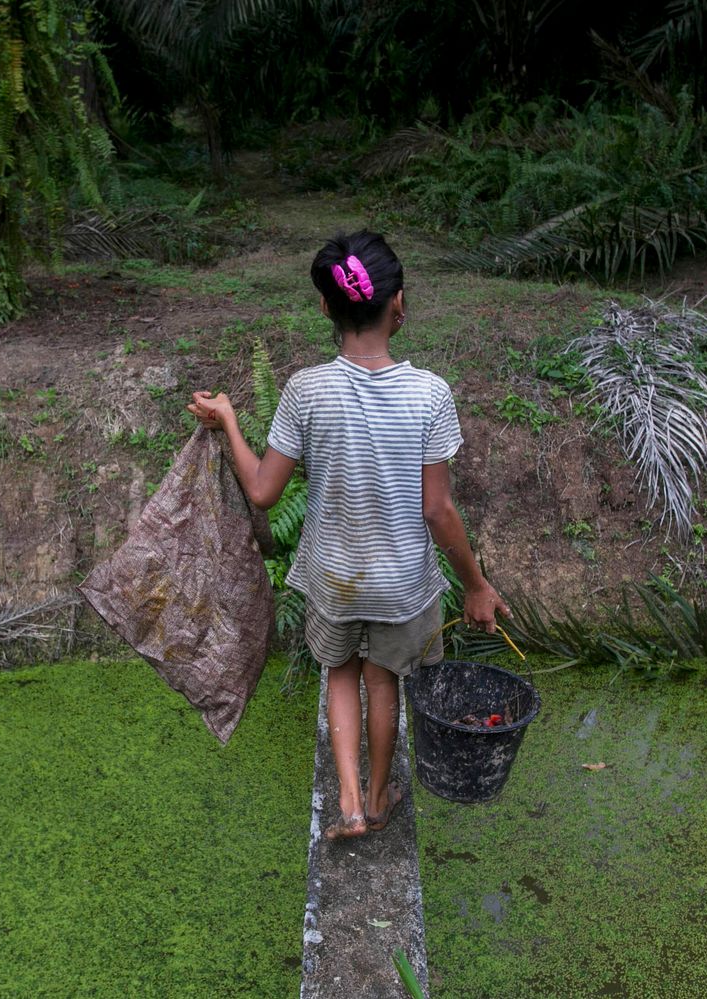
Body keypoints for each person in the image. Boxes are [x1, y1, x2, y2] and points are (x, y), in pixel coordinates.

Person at [187, 230, 509, 840]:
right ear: (400, 305)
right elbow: (439, 511)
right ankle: (383, 798)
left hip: (334, 577)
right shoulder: (429, 394)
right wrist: (475, 585)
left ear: (326, 309)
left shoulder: (306, 390)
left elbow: (262, 491)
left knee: (339, 673)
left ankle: (350, 802)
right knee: (382, 681)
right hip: (402, 585)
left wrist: (229, 418)